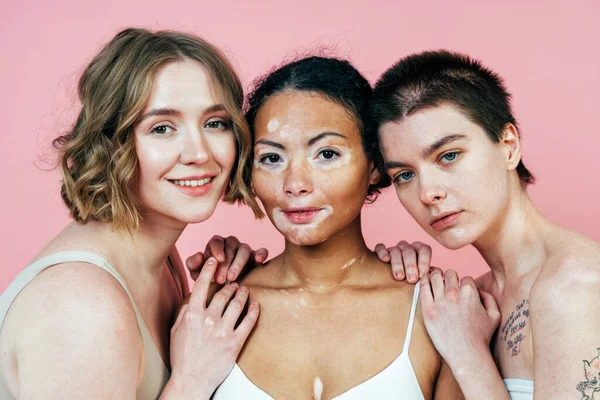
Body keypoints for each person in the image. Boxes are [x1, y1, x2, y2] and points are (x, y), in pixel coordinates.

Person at [0, 28, 263, 399]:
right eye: (162, 128)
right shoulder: (83, 308)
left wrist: (221, 296)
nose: (198, 153)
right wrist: (191, 380)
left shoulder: (158, 260)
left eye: (215, 123)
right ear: (112, 144)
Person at [206, 56, 463, 399]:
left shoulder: (436, 312)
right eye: (271, 158)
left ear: (374, 165)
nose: (295, 184)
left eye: (326, 154)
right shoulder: (213, 310)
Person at [371, 50, 600, 400]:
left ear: (508, 145)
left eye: (449, 155)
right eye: (404, 175)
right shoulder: (467, 303)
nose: (428, 192)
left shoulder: (574, 286)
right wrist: (391, 275)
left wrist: (468, 355)